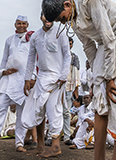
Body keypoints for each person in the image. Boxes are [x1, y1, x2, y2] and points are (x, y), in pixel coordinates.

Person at [41, 0, 116, 160]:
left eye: (62, 18)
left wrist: (108, 79)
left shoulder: (91, 2)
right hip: (104, 46)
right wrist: (97, 77)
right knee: (100, 99)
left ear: (67, 5)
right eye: (59, 21)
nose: (63, 22)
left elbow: (109, 39)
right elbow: (88, 46)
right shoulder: (72, 18)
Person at [21, 14, 71, 157]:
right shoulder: (36, 36)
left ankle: (55, 146)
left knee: (53, 109)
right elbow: (31, 59)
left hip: (57, 78)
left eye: (50, 15)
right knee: (38, 110)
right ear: (41, 17)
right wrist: (27, 79)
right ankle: (41, 146)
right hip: (41, 77)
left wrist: (63, 75)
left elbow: (67, 55)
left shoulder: (61, 33)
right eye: (45, 15)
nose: (47, 19)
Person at [0, 15, 31, 154]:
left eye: (23, 23)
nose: (21, 25)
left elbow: (34, 59)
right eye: (18, 23)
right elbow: (4, 59)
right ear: (15, 24)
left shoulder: (31, 39)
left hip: (23, 81)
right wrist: (2, 74)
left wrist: (32, 77)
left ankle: (19, 143)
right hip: (8, 79)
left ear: (27, 24)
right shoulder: (9, 40)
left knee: (22, 114)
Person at [63, 37, 81, 144]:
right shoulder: (59, 56)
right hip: (58, 88)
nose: (69, 45)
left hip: (69, 88)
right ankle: (51, 136)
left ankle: (66, 137)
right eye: (67, 43)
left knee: (66, 113)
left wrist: (76, 89)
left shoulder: (74, 58)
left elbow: (76, 75)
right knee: (54, 112)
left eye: (70, 44)